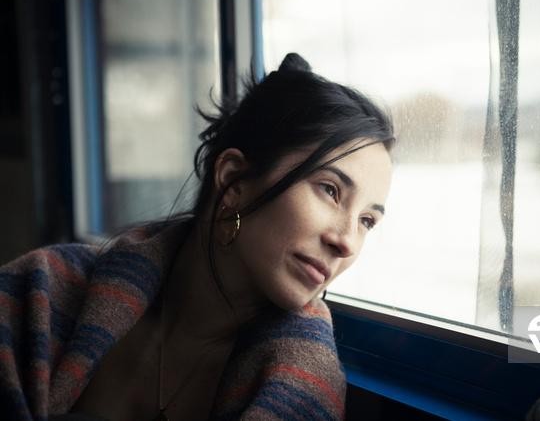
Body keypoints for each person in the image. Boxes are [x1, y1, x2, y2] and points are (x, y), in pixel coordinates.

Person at [0, 53, 395, 421]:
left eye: (366, 221)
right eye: (330, 190)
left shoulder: (305, 384)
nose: (347, 242)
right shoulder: (42, 292)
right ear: (235, 180)